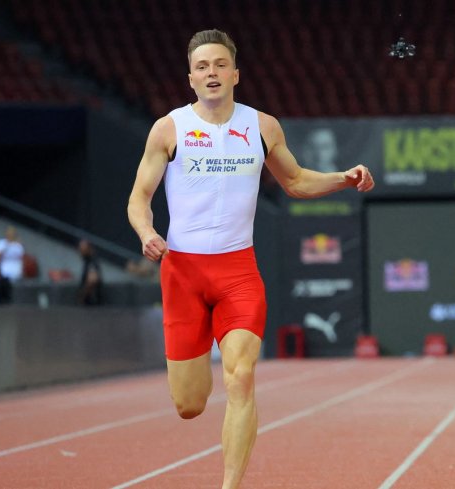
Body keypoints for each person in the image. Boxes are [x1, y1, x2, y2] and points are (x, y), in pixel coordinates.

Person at [126, 29, 374, 488]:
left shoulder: (261, 126)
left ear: (235, 74)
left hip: (238, 271)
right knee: (189, 404)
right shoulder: (169, 128)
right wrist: (146, 232)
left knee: (241, 376)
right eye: (202, 67)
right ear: (191, 79)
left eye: (220, 65)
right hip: (182, 273)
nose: (212, 73)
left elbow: (296, 181)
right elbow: (139, 198)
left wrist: (343, 177)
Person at [77, 239, 102, 306]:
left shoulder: (92, 261)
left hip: (91, 305)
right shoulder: (87, 261)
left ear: (88, 249)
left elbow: (92, 280)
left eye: (82, 249)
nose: (80, 252)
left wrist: (82, 297)